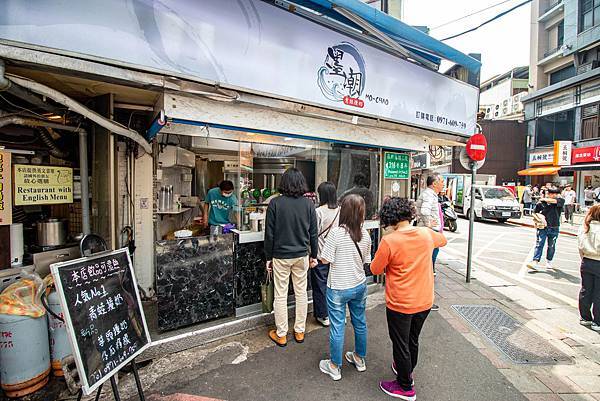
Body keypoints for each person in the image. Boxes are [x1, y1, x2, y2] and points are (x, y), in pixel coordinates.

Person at [371, 198, 447, 400]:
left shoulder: (390, 241)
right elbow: (443, 240)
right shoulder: (425, 234)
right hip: (424, 300)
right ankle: (406, 370)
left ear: (390, 219)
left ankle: (405, 387)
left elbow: (375, 269)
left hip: (401, 303)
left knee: (400, 344)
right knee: (412, 339)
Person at [318, 194, 371, 381]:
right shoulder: (365, 234)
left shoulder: (337, 233)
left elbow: (325, 259)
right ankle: (359, 358)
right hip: (359, 285)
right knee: (360, 322)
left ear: (344, 212)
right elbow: (366, 261)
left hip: (338, 288)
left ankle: (334, 366)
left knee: (338, 326)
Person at [265, 168, 318, 347]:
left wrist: (268, 257)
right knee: (301, 292)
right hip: (301, 255)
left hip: (280, 255)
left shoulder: (275, 203)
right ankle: (300, 331)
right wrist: (314, 255)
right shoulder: (308, 204)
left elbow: (269, 234)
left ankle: (281, 334)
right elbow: (313, 233)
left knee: (280, 295)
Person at [312, 182, 340, 327]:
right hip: (336, 255)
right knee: (334, 285)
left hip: (321, 255)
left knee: (320, 286)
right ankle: (336, 313)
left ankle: (323, 315)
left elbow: (314, 233)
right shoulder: (340, 210)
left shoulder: (319, 212)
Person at [415, 173, 444, 312]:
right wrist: (429, 224)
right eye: (442, 181)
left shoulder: (429, 194)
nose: (443, 184)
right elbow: (425, 211)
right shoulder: (428, 195)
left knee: (427, 266)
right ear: (434, 183)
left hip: (429, 233)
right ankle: (425, 300)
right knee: (427, 267)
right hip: (429, 235)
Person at [527, 188, 565, 271]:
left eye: (555, 194)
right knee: (539, 243)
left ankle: (549, 261)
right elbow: (534, 213)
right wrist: (540, 218)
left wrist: (543, 199)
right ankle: (535, 261)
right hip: (542, 227)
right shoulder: (541, 203)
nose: (553, 195)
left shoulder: (560, 200)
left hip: (554, 227)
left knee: (551, 246)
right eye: (551, 193)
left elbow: (555, 201)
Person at [578, 205, 600, 331]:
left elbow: (580, 247)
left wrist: (584, 259)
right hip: (598, 261)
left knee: (586, 290)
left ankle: (585, 317)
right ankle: (597, 321)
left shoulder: (585, 227)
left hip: (586, 261)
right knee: (598, 293)